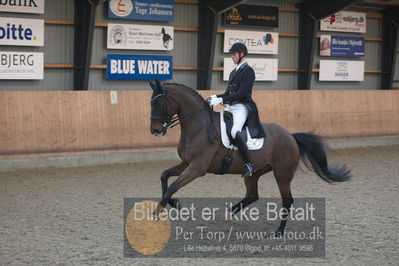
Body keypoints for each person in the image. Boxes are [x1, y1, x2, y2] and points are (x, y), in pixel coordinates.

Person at [208, 42, 266, 177]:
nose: (232, 57)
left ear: (242, 54)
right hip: (231, 106)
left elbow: (242, 93)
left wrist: (221, 100)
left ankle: (249, 163)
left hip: (243, 106)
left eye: (234, 54)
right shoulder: (233, 72)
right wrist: (216, 97)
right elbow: (229, 93)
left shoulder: (249, 71)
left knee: (234, 132)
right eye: (231, 54)